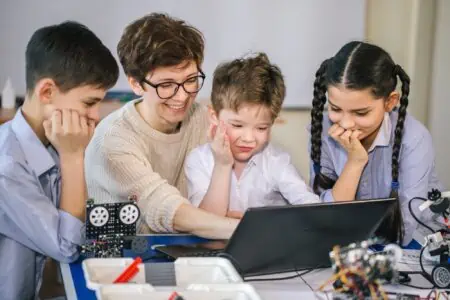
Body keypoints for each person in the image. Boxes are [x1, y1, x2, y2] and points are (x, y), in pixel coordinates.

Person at [85, 13, 239, 238]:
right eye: (166, 85)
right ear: (135, 84)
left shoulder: (202, 119)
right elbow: (166, 209)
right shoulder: (113, 140)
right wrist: (242, 230)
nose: (182, 97)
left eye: (191, 80)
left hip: (185, 248)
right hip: (122, 259)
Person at [0, 21, 119, 300]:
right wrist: (73, 156)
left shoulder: (52, 141)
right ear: (47, 92)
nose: (96, 115)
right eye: (89, 103)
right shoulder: (7, 166)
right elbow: (67, 247)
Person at [308, 41, 442, 245]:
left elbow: (402, 231)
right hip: (353, 243)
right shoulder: (322, 131)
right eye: (335, 109)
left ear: (390, 102)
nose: (345, 123)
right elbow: (325, 220)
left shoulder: (414, 139)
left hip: (417, 244)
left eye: (361, 113)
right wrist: (355, 162)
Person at [185, 53, 319, 217]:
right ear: (214, 116)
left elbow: (311, 207)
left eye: (261, 128)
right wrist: (222, 164)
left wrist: (233, 218)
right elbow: (204, 221)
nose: (249, 138)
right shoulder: (199, 160)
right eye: (237, 125)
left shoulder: (276, 161)